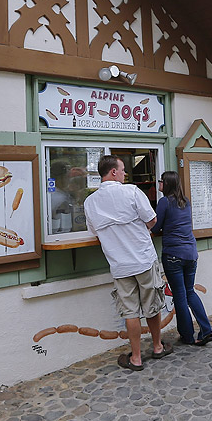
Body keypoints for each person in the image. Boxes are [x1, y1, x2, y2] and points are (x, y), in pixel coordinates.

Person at [85, 155, 171, 371]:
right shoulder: (132, 191)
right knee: (151, 306)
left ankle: (136, 358)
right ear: (113, 172)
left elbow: (95, 233)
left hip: (120, 265)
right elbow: (152, 221)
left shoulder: (90, 202)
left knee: (130, 312)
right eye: (123, 170)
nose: (125, 174)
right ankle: (158, 346)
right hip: (143, 258)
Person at [152, 171, 212, 346]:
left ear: (167, 184)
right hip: (191, 254)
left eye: (161, 181)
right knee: (190, 292)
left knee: (179, 295)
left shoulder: (164, 202)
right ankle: (206, 329)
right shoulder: (185, 202)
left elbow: (156, 227)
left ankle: (187, 335)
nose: (159, 184)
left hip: (173, 255)